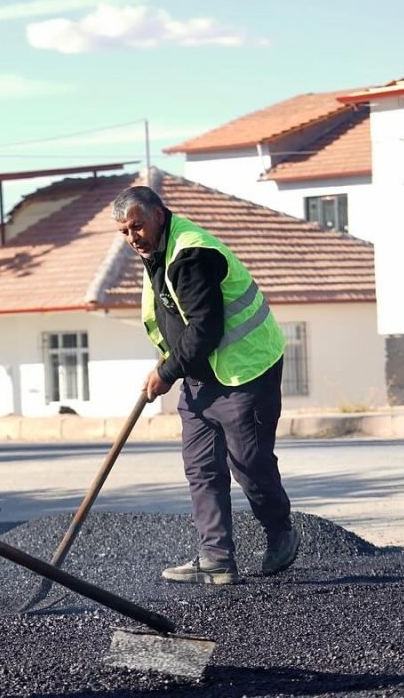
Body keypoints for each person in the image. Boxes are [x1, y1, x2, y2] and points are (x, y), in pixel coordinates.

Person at [112, 185, 299, 585]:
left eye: (137, 226)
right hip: (200, 375)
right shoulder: (155, 254)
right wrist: (172, 364)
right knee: (201, 468)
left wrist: (166, 372)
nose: (132, 238)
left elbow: (206, 328)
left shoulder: (192, 254)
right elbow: (175, 319)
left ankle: (280, 530)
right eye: (124, 231)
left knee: (249, 464)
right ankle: (216, 559)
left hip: (245, 371)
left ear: (158, 215)